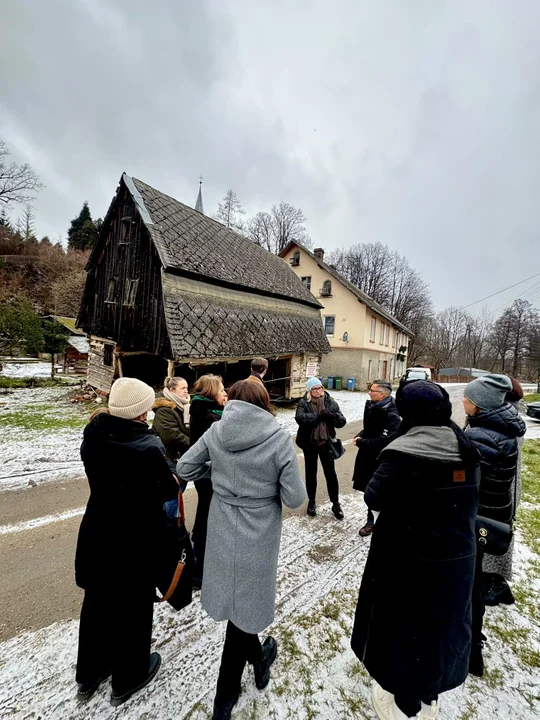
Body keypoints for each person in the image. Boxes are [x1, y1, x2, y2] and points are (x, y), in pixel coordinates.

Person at [177, 380, 306, 720]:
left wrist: (219, 475)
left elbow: (185, 468)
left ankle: (260, 659)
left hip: (221, 523)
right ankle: (225, 696)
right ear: (265, 403)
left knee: (239, 602)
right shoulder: (278, 439)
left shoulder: (217, 432)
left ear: (231, 400)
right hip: (259, 530)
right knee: (244, 605)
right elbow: (295, 498)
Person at [351, 380, 480, 720]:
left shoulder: (403, 451)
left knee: (405, 627)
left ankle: (405, 701)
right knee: (441, 624)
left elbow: (373, 496)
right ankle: (430, 691)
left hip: (409, 555)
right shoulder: (465, 446)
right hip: (457, 555)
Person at [75, 377, 178, 707]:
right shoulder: (147, 448)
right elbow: (166, 490)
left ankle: (90, 671)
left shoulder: (93, 434)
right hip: (134, 537)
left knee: (98, 603)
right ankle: (128, 675)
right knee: (133, 606)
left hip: (99, 529)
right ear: (139, 411)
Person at [463, 374, 526, 676]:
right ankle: (474, 641)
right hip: (494, 513)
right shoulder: (503, 429)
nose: (463, 402)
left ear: (480, 404)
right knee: (475, 583)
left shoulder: (481, 436)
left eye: (468, 398)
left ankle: (471, 648)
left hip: (475, 517)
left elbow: (465, 481)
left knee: (469, 585)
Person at [481, 376, 524, 606]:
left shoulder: (505, 418)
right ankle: (495, 583)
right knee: (496, 532)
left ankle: (495, 585)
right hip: (506, 484)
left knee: (494, 533)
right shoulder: (508, 416)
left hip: (502, 485)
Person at [189, 374, 228, 588]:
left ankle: (200, 569)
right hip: (210, 474)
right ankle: (198, 574)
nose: (225, 393)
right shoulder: (210, 416)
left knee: (206, 515)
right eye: (221, 389)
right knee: (207, 520)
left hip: (206, 474)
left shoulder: (204, 410)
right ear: (211, 391)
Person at [352, 380, 401, 537]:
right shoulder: (374, 406)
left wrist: (362, 442)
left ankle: (373, 523)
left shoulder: (392, 415)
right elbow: (369, 429)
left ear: (382, 394)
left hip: (380, 460)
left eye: (372, 390)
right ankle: (372, 520)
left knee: (378, 490)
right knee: (370, 488)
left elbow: (385, 440)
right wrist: (360, 435)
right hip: (368, 456)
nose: (369, 392)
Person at [295, 376, 347, 519]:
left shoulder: (330, 402)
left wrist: (331, 416)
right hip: (310, 444)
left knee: (331, 474)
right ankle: (311, 502)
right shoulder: (303, 403)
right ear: (309, 391)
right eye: (315, 389)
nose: (318, 391)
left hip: (326, 444)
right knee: (311, 474)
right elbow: (300, 418)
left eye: (320, 388)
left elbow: (342, 421)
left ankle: (336, 503)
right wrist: (318, 416)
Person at [152, 375, 191, 518]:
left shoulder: (184, 406)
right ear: (171, 390)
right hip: (170, 459)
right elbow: (171, 435)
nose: (186, 391)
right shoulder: (164, 409)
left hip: (180, 457)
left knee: (177, 492)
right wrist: (194, 444)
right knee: (172, 496)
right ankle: (168, 527)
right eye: (183, 388)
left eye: (187, 388)